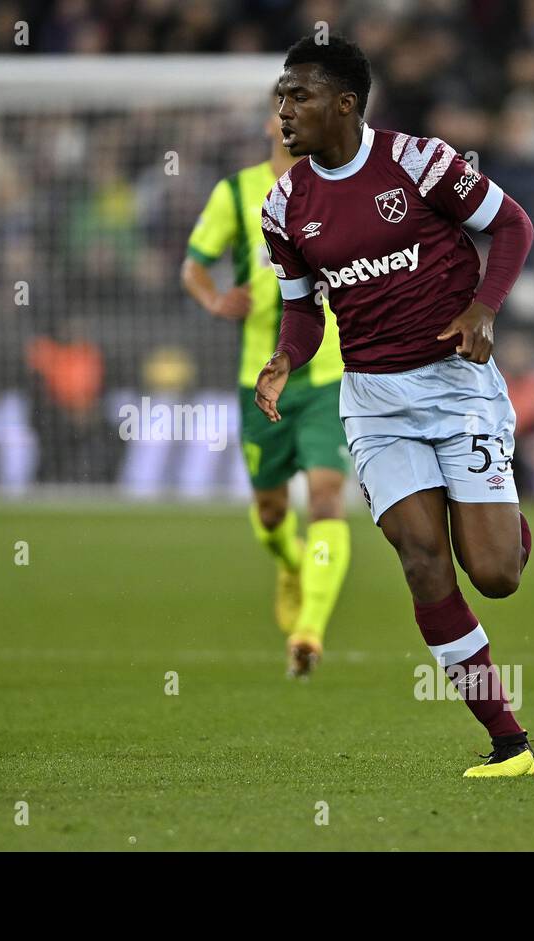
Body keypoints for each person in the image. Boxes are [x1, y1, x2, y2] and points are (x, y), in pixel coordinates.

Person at [255, 35, 534, 776]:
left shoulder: (420, 163)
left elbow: (513, 226)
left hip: (456, 384)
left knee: (496, 574)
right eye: (280, 97)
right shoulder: (286, 206)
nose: (284, 111)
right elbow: (303, 310)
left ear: (345, 104)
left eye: (299, 96)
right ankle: (509, 743)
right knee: (422, 561)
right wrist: (287, 356)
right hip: (375, 401)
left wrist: (484, 307)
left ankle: (503, 523)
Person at [182, 108, 351, 678]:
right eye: (282, 112)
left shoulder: (340, 189)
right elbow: (193, 266)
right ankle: (290, 562)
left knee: (327, 498)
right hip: (262, 374)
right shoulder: (236, 193)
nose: (290, 124)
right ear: (266, 125)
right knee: (272, 510)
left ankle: (310, 631)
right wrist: (214, 300)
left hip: (327, 373)